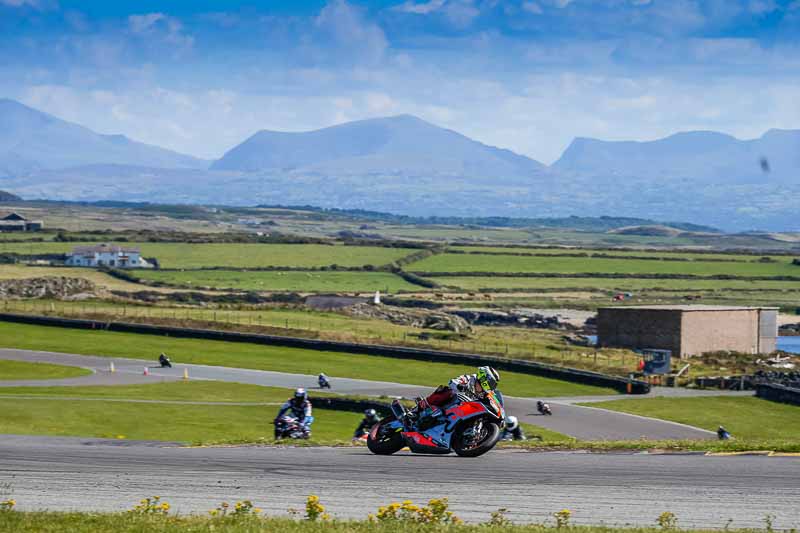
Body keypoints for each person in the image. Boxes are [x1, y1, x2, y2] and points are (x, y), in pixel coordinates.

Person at [412, 366, 501, 426]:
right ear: (483, 379)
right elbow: (452, 382)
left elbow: (495, 405)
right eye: (491, 383)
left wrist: (500, 418)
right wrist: (459, 386)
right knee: (446, 390)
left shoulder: (486, 394)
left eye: (493, 385)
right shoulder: (468, 379)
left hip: (462, 414)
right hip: (450, 405)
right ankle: (417, 409)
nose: (491, 387)